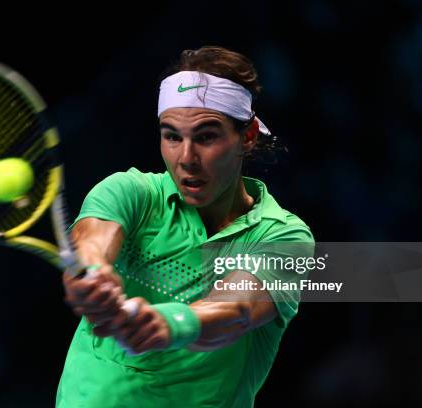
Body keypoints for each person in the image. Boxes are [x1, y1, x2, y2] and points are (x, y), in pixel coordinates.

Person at [56, 46, 314, 407]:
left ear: (248, 136)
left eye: (206, 137)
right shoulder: (129, 192)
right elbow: (92, 242)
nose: (186, 159)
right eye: (172, 136)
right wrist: (94, 274)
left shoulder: (283, 236)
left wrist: (170, 324)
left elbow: (237, 309)